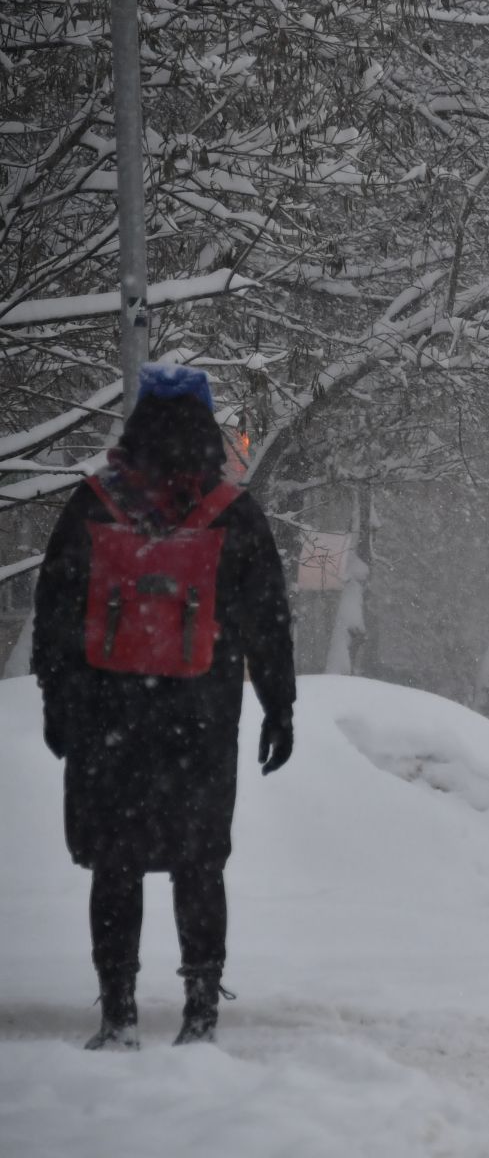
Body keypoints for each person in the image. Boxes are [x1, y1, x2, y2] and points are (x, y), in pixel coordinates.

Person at [32, 363, 296, 1049]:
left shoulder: (94, 504)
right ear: (209, 429)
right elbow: (268, 618)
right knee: (198, 863)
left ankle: (117, 1012)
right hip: (201, 719)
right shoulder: (230, 511)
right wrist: (278, 706)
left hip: (107, 715)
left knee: (115, 864)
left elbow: (56, 611)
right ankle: (199, 1013)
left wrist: (56, 701)